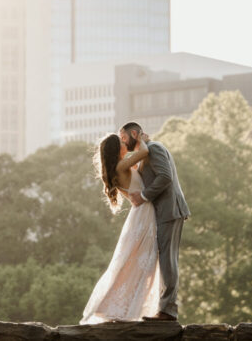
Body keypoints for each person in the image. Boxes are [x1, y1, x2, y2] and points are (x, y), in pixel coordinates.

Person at [80, 129, 161, 323]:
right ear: (117, 150)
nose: (127, 145)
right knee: (142, 261)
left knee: (138, 261)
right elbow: (143, 152)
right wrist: (141, 138)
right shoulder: (121, 166)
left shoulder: (119, 167)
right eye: (123, 143)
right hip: (144, 214)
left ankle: (128, 307)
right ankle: (125, 308)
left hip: (141, 213)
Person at [122, 121, 189, 322]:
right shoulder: (144, 153)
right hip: (162, 213)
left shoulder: (155, 148)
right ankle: (163, 308)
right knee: (163, 260)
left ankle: (168, 312)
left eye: (124, 138)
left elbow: (165, 177)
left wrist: (143, 196)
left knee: (168, 261)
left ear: (135, 133)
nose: (123, 143)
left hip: (170, 210)